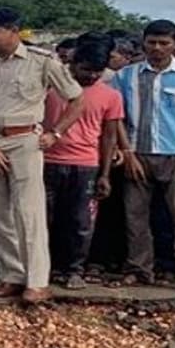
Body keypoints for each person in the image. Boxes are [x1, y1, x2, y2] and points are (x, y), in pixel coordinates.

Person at [0, 7, 83, 304]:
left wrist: (56, 133)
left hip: (26, 140)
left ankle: (37, 281)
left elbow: (76, 99)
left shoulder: (42, 60)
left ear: (14, 30)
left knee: (30, 212)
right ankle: (10, 275)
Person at [110, 19, 175, 294]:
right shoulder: (125, 76)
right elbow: (116, 117)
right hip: (137, 152)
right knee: (135, 215)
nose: (157, 48)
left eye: (164, 43)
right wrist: (126, 151)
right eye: (152, 42)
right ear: (144, 42)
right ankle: (139, 268)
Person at [45, 37, 123, 289]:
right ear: (72, 64)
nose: (91, 76)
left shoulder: (110, 95)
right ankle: (45, 268)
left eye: (97, 72)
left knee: (80, 221)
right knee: (45, 219)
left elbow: (109, 135)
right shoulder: (50, 88)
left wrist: (105, 174)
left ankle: (74, 269)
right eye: (85, 69)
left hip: (86, 164)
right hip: (48, 160)